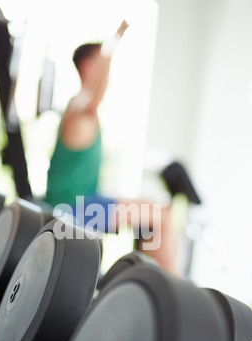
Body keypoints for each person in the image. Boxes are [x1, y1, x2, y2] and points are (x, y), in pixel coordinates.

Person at [45, 20, 177, 275]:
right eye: (100, 63)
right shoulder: (81, 106)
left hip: (85, 201)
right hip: (72, 210)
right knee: (160, 217)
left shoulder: (80, 108)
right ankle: (173, 294)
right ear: (87, 67)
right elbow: (96, 90)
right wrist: (116, 38)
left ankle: (153, 285)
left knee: (158, 212)